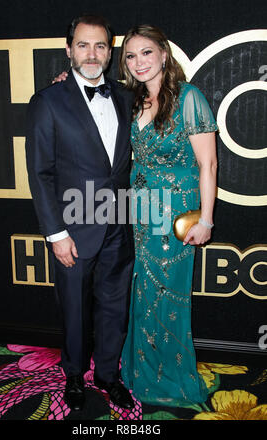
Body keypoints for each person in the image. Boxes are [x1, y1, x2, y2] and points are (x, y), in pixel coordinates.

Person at [25, 15, 135, 411]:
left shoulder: (125, 97)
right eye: (84, 45)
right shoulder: (47, 101)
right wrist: (56, 234)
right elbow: (40, 173)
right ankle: (73, 375)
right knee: (74, 310)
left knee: (114, 307)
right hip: (73, 230)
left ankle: (108, 374)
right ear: (69, 49)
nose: (92, 54)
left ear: (110, 51)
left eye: (101, 46)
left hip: (119, 226)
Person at [118, 24, 218, 407]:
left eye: (146, 52)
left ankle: (170, 379)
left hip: (175, 213)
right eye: (130, 55)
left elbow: (207, 164)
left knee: (168, 297)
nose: (138, 62)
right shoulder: (131, 99)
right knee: (140, 293)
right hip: (138, 211)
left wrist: (205, 220)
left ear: (163, 54)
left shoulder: (188, 97)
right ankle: (139, 373)